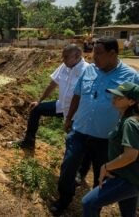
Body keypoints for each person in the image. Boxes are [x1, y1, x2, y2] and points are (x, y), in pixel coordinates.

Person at [51, 37, 139, 215]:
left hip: (106, 139)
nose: (93, 57)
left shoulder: (131, 76)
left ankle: (93, 209)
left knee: (101, 175)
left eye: (98, 53)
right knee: (68, 167)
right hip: (80, 131)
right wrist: (68, 119)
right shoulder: (89, 70)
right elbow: (77, 94)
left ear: (112, 53)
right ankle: (64, 200)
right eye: (92, 52)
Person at [15, 44, 89, 150]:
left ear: (77, 55)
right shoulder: (65, 66)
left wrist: (68, 119)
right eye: (63, 57)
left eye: (66, 57)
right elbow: (52, 84)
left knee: (72, 144)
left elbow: (83, 98)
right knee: (36, 109)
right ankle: (28, 142)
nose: (63, 60)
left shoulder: (87, 70)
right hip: (61, 106)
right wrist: (39, 101)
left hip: (75, 113)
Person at [82, 82, 139, 217]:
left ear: (131, 101)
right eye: (114, 95)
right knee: (128, 214)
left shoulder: (130, 123)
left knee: (88, 203)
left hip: (128, 179)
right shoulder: (125, 118)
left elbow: (130, 155)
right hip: (129, 178)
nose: (114, 98)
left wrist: (106, 167)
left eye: (120, 97)